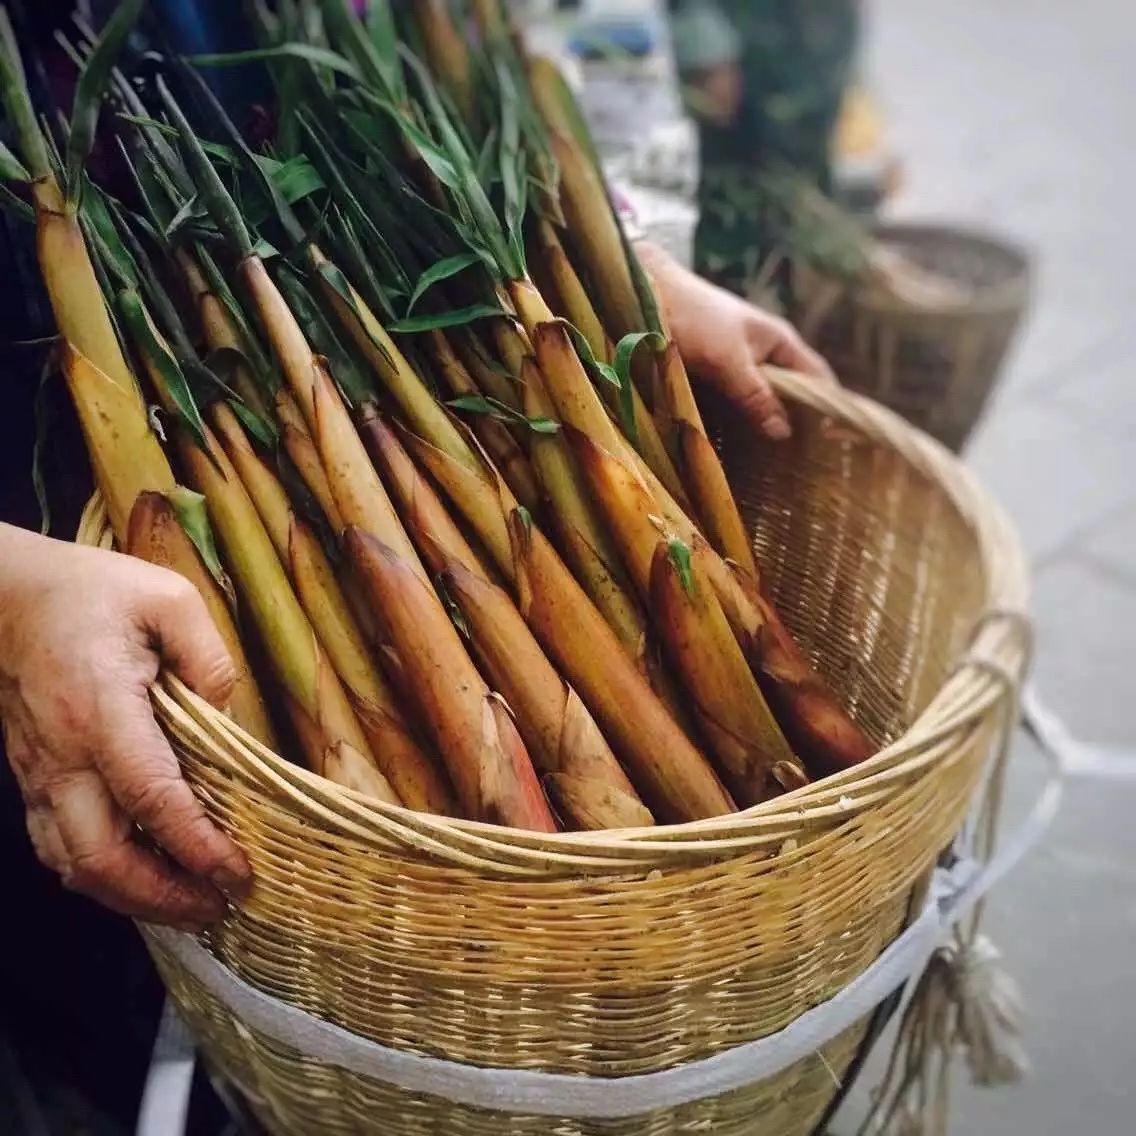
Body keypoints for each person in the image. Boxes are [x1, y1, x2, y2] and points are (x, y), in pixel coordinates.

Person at [0, 5, 833, 1132]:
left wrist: (612, 259)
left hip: (324, 277)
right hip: (82, 551)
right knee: (141, 1015)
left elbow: (470, 53)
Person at [667, 0, 860, 297]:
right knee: (738, 191)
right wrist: (702, 40)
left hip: (815, 40)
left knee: (802, 174)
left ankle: (805, 293)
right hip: (747, 34)